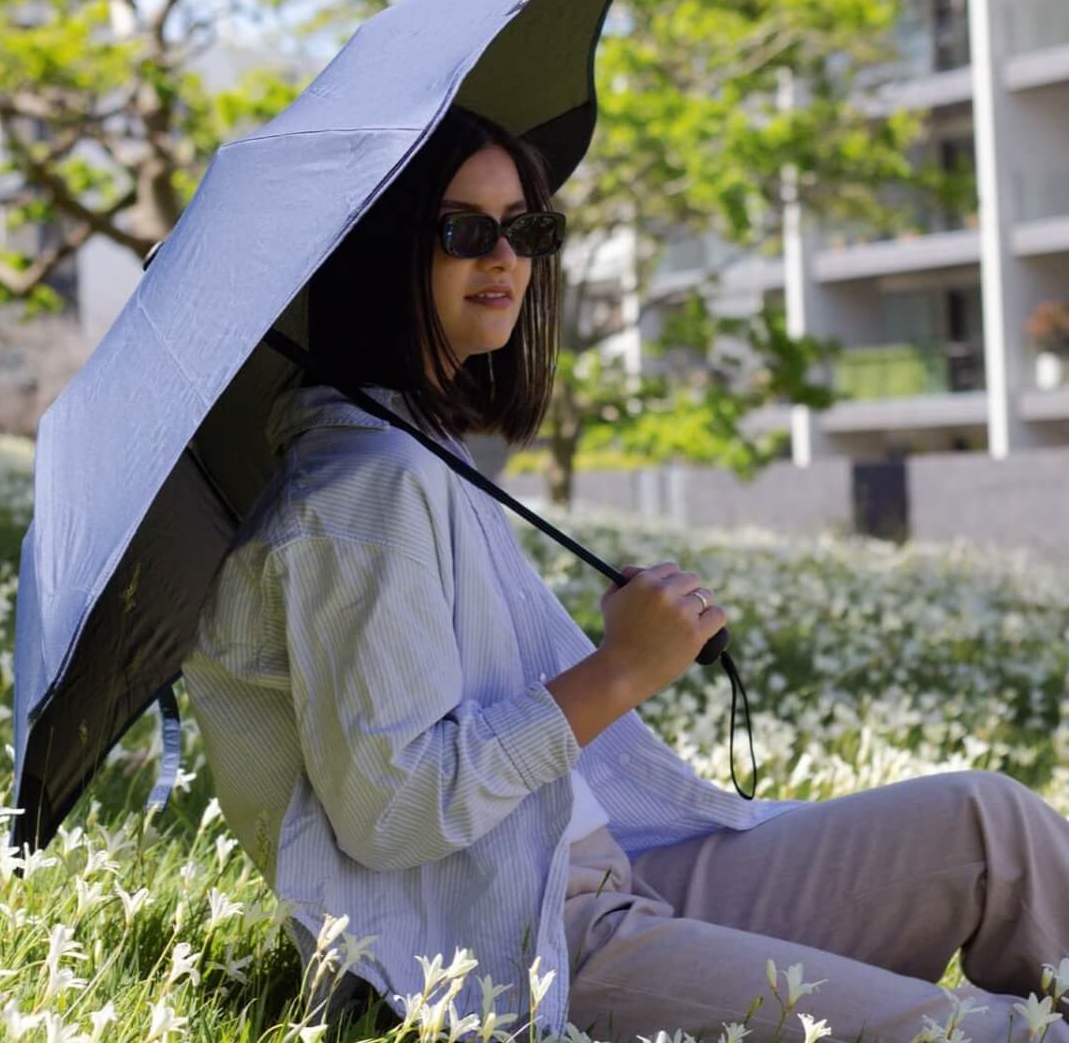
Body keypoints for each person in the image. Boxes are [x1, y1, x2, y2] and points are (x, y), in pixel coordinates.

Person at [180, 106, 1069, 1043]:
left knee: (991, 829)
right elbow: (391, 811)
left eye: (528, 229)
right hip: (531, 947)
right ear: (379, 255)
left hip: (617, 866)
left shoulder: (415, 449)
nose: (506, 260)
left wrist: (610, 643)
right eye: (463, 232)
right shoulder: (362, 495)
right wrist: (617, 672)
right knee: (1000, 1034)